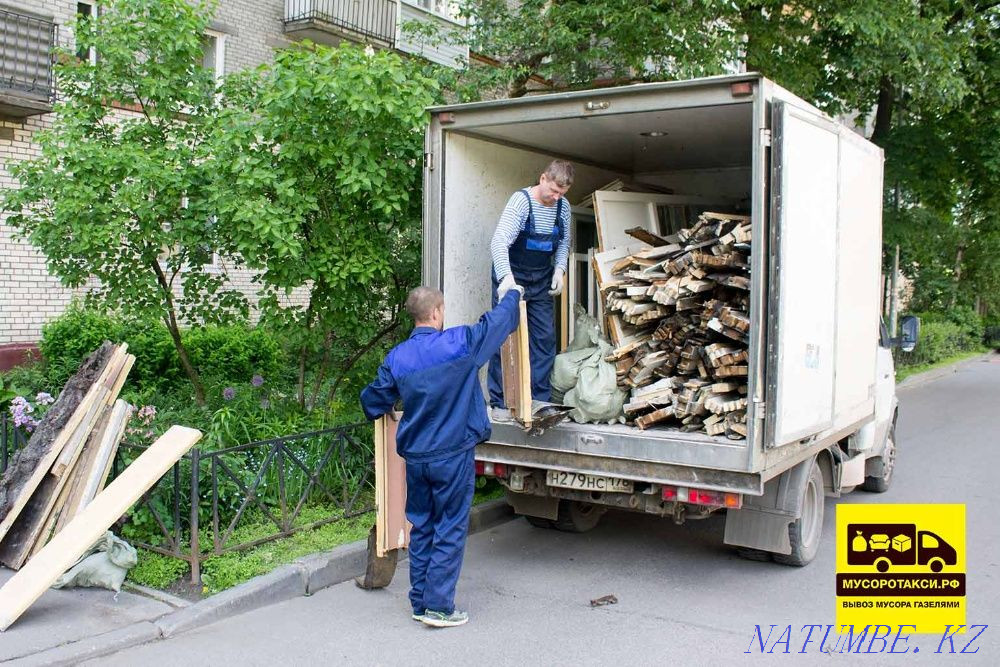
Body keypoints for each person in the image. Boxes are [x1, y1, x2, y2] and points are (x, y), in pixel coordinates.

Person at [360, 285, 523, 628]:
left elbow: (371, 400)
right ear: (436, 313)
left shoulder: (398, 358)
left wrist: (389, 404)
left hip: (417, 459)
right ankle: (438, 608)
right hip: (452, 455)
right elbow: (499, 323)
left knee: (422, 527)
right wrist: (511, 293)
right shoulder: (459, 344)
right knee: (450, 526)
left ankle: (420, 602)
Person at [487, 159, 574, 418]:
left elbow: (564, 241)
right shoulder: (521, 202)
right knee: (504, 337)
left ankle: (539, 399)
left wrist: (560, 269)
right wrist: (506, 279)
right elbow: (499, 241)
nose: (556, 197)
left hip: (541, 278)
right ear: (543, 178)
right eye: (554, 190)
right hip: (512, 276)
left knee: (544, 339)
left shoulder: (562, 207)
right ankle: (500, 402)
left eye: (562, 193)